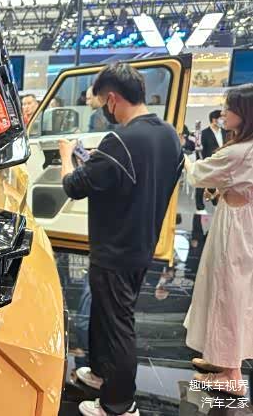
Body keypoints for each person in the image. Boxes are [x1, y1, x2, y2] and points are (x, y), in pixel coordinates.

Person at [58, 63, 184, 416]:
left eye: (103, 103)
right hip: (141, 243)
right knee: (105, 314)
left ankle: (119, 405)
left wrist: (67, 156)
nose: (104, 109)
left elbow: (74, 186)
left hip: (115, 247)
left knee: (117, 325)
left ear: (112, 99)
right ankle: (102, 375)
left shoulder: (120, 140)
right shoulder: (168, 135)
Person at [183, 84, 253, 397]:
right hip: (244, 223)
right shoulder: (247, 148)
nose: (224, 113)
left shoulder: (238, 152)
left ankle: (231, 375)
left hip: (234, 229)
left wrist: (182, 156)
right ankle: (225, 361)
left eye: (229, 107)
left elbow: (197, 174)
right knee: (236, 292)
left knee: (228, 292)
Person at [195, 109, 229, 214]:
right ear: (214, 120)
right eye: (221, 118)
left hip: (222, 164)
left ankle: (216, 203)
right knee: (202, 185)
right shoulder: (203, 134)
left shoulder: (225, 132)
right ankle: (200, 207)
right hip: (208, 163)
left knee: (218, 185)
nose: (223, 120)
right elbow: (199, 151)